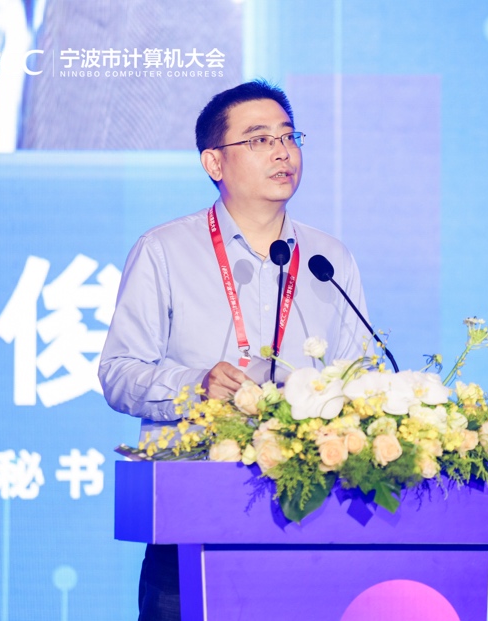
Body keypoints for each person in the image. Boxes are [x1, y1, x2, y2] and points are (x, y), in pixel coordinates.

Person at [98, 80, 372, 621]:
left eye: (289, 137)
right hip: (193, 520)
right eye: (259, 139)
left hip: (312, 520)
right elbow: (119, 372)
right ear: (214, 162)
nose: (282, 151)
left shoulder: (328, 258)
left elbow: (358, 378)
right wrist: (194, 385)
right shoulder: (165, 250)